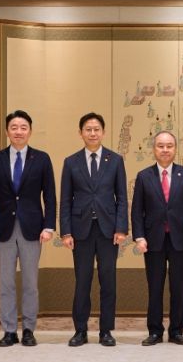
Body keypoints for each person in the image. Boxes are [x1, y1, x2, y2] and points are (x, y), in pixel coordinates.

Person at [0, 110, 56, 347]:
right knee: (7, 283)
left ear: (30, 131)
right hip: (2, 229)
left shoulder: (42, 159)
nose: (18, 131)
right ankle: (9, 330)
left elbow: (50, 196)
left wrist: (49, 226)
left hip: (32, 229)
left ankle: (29, 330)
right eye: (14, 127)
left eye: (23, 127)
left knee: (30, 283)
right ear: (7, 131)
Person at [59, 112, 128, 347]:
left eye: (96, 129)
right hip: (81, 231)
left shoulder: (115, 160)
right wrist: (66, 232)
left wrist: (121, 228)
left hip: (109, 231)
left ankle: (106, 331)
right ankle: (80, 330)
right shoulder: (71, 162)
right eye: (88, 129)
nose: (92, 133)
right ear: (80, 133)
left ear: (103, 132)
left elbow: (122, 198)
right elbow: (65, 200)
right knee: (82, 281)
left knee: (108, 281)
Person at [132, 131, 183, 346]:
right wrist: (139, 237)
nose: (165, 150)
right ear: (154, 149)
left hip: (180, 240)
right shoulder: (144, 176)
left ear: (175, 148)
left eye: (169, 146)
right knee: (154, 288)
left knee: (178, 288)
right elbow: (137, 211)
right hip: (152, 240)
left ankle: (176, 331)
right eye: (161, 146)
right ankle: (155, 331)